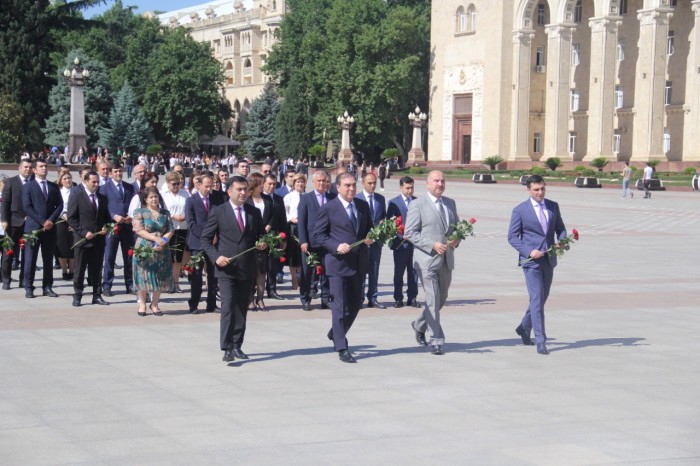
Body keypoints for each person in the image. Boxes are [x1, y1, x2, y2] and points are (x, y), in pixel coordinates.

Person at [201, 176, 267, 363]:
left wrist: (263, 244)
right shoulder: (219, 211)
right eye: (239, 189)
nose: (243, 193)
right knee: (228, 306)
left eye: (245, 189)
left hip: (247, 267)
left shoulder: (253, 212)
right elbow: (205, 239)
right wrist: (216, 257)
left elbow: (261, 236)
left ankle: (237, 344)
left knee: (242, 307)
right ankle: (227, 347)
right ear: (229, 191)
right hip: (226, 268)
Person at [313, 172, 373, 363]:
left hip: (358, 263)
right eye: (347, 185)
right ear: (338, 188)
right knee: (339, 305)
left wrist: (371, 238)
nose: (351, 189)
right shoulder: (329, 208)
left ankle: (335, 332)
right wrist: (335, 246)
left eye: (354, 185)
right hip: (337, 265)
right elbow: (318, 235)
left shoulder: (362, 206)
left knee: (355, 304)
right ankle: (342, 346)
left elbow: (367, 230)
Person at [507, 174, 567, 355]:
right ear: (528, 190)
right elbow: (512, 237)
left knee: (542, 297)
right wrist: (528, 250)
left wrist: (562, 240)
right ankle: (541, 340)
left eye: (542, 189)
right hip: (531, 261)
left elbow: (561, 229)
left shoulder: (553, 206)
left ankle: (524, 327)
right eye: (536, 190)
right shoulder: (520, 210)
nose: (540, 193)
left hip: (548, 259)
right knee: (536, 297)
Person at [404, 170, 460, 355]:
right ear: (427, 184)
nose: (440, 184)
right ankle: (436, 340)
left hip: (446, 260)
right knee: (433, 298)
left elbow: (456, 229)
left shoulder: (450, 203)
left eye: (443, 181)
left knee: (440, 299)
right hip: (426, 260)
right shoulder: (417, 204)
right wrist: (432, 245)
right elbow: (410, 233)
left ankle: (419, 324)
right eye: (436, 181)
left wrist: (456, 239)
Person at [67, 171, 110, 307]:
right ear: (85, 182)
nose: (96, 185)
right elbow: (71, 218)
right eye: (94, 182)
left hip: (98, 240)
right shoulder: (77, 195)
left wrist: (106, 227)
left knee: (97, 269)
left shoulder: (102, 198)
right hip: (83, 239)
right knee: (80, 269)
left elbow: (106, 217)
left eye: (98, 182)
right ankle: (78, 295)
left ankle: (96, 295)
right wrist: (84, 232)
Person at [22, 159, 63, 299]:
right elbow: (27, 206)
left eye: (45, 166)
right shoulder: (29, 186)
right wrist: (42, 221)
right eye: (41, 166)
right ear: (34, 170)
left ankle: (47, 286)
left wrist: (51, 220)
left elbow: (60, 205)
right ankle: (29, 287)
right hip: (33, 229)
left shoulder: (53, 186)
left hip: (50, 229)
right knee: (30, 259)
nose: (44, 168)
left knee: (48, 259)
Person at [185, 173, 225, 314]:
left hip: (214, 243)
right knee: (196, 275)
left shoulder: (217, 198)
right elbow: (191, 223)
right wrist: (206, 237)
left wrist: (216, 235)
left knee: (214, 275)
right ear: (199, 185)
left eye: (211, 186)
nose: (209, 189)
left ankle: (212, 304)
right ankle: (194, 304)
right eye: (206, 186)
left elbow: (221, 219)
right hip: (198, 243)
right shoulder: (191, 201)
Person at [132, 187, 175, 316]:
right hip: (145, 246)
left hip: (162, 247)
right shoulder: (140, 212)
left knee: (159, 275)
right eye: (151, 197)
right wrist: (154, 238)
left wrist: (163, 240)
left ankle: (155, 304)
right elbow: (138, 229)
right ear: (146, 199)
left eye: (156, 196)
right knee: (143, 275)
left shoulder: (165, 213)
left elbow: (170, 229)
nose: (154, 199)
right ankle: (142, 304)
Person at [297, 171, 336, 311]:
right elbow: (301, 221)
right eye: (319, 181)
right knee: (307, 272)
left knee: (327, 271)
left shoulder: (332, 197)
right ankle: (305, 298)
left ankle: (326, 298)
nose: (322, 184)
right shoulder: (306, 198)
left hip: (327, 242)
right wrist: (303, 241)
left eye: (324, 181)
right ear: (313, 183)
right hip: (310, 242)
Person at [100, 163, 136, 296]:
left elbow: (133, 204)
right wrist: (114, 216)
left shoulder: (129, 187)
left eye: (120, 171)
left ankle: (130, 284)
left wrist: (130, 216)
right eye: (115, 171)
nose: (118, 174)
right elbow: (104, 206)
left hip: (127, 227)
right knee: (110, 256)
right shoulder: (104, 188)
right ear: (110, 173)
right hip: (112, 227)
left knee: (129, 257)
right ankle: (107, 285)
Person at [355, 173, 386, 308]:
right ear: (363, 183)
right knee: (361, 271)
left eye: (374, 183)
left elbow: (382, 218)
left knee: (374, 270)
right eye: (370, 183)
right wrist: (364, 238)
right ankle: (359, 298)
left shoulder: (380, 199)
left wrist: (380, 232)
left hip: (376, 242)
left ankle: (372, 298)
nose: (373, 185)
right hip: (362, 242)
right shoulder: (356, 198)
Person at [387, 176, 419, 308]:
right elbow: (390, 223)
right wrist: (400, 235)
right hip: (400, 244)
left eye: (412, 188)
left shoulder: (418, 202)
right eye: (407, 188)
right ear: (401, 187)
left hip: (415, 245)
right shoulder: (394, 203)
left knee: (414, 273)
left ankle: (412, 297)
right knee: (399, 273)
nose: (410, 191)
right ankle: (398, 298)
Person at [1, 160, 32, 290]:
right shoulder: (11, 182)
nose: (28, 169)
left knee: (27, 254)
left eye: (30, 167)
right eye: (25, 167)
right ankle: (6, 279)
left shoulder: (33, 183)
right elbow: (5, 203)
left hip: (29, 223)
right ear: (19, 168)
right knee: (9, 252)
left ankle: (23, 280)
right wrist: (4, 220)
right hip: (13, 222)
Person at [246, 173, 274, 311]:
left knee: (262, 271)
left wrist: (268, 226)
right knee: (251, 270)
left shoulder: (267, 199)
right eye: (261, 183)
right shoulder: (247, 199)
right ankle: (250, 299)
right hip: (251, 239)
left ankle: (261, 299)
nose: (264, 185)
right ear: (255, 184)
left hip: (265, 238)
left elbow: (273, 215)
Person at [161, 171, 190, 293]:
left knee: (178, 258)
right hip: (168, 229)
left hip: (182, 228)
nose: (176, 186)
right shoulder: (163, 195)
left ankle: (176, 283)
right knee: (167, 257)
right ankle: (165, 283)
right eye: (174, 184)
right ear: (168, 183)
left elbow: (189, 208)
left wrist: (185, 216)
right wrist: (173, 216)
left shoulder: (185, 194)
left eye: (178, 183)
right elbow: (161, 211)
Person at [262, 173, 289, 300]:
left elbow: (283, 219)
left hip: (275, 236)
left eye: (274, 184)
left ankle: (272, 290)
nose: (272, 186)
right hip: (262, 236)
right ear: (263, 184)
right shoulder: (259, 198)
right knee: (260, 266)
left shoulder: (278, 199)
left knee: (273, 265)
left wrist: (284, 238)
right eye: (269, 184)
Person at [283, 173, 306, 290]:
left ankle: (301, 277)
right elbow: (284, 213)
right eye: (298, 182)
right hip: (293, 227)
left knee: (303, 253)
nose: (300, 184)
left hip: (305, 227)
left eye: (302, 182)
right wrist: (290, 219)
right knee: (293, 254)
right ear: (294, 184)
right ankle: (294, 279)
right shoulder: (288, 197)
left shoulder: (307, 196)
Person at [56, 172, 75, 280]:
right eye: (65, 179)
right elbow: (58, 206)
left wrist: (72, 222)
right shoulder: (59, 192)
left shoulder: (76, 191)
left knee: (72, 245)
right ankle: (64, 269)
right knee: (62, 246)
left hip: (74, 221)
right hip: (61, 221)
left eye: (69, 178)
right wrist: (65, 217)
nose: (68, 180)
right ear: (61, 181)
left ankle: (72, 269)